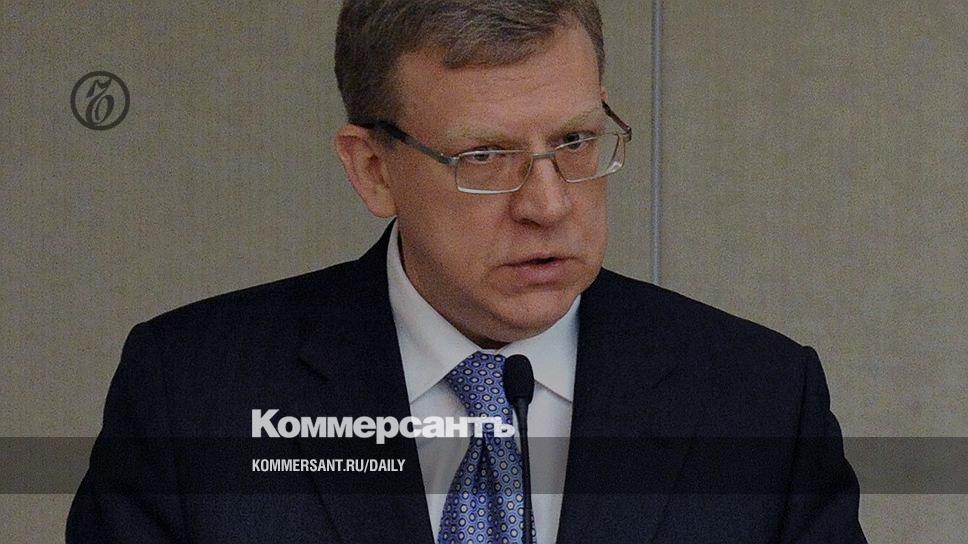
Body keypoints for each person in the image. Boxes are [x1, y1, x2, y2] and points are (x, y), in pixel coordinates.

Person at [67, 1, 867, 542]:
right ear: (373, 169)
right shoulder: (192, 394)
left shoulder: (761, 401)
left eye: (575, 142)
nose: (548, 204)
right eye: (485, 156)